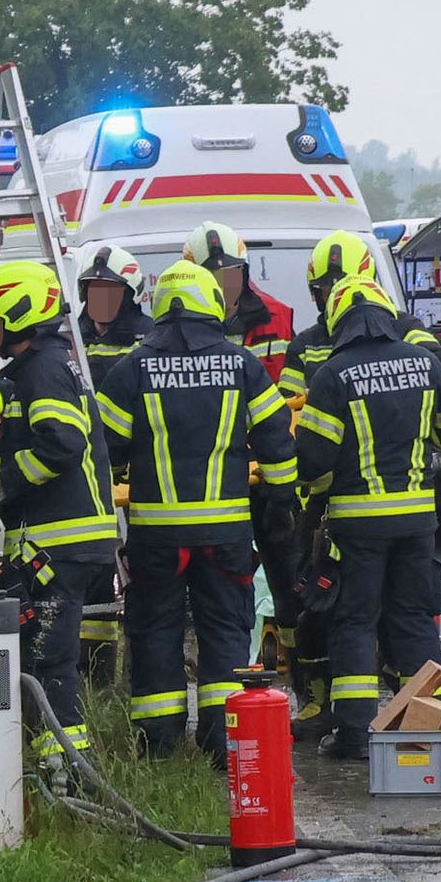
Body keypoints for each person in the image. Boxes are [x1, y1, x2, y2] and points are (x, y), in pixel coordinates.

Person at [99, 259, 299, 760]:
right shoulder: (242, 365)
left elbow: (106, 449)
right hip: (226, 536)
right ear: (212, 304)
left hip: (156, 540)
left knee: (156, 633)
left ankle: (160, 744)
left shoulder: (132, 369)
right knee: (226, 631)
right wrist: (278, 502)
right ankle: (223, 741)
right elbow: (277, 440)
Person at [290, 262, 441, 767]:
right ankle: (433, 723)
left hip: (357, 524)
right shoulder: (424, 363)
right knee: (413, 620)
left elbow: (313, 461)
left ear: (341, 320)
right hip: (416, 521)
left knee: (355, 623)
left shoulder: (332, 376)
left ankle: (353, 735)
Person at [0, 260, 122, 775]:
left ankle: (64, 772)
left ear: (19, 317)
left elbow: (61, 444)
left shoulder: (43, 370)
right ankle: (45, 762)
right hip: (55, 546)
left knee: (49, 660)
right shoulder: (39, 368)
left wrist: (6, 487)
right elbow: (19, 442)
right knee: (35, 655)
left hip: (60, 547)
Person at [190, 222, 292, 366]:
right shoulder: (179, 332)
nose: (224, 282)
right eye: (212, 276)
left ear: (244, 273)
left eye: (231, 272)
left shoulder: (278, 319)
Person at [73, 243, 148, 397]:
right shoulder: (73, 338)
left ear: (129, 297)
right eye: (94, 290)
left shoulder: (149, 339)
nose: (101, 299)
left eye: (110, 291)